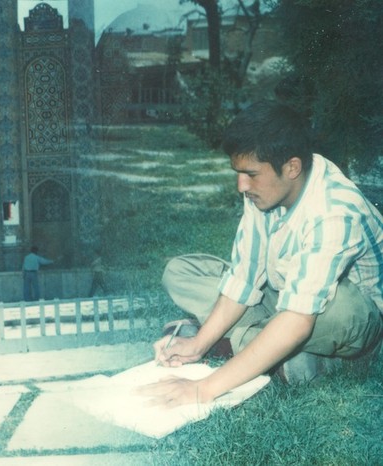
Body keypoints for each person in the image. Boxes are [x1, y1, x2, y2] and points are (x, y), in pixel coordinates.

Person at [140, 101, 383, 407]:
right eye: (238, 173)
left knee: (336, 310)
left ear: (292, 167)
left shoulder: (334, 210)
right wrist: (198, 345)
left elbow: (298, 318)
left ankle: (262, 347)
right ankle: (272, 348)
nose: (241, 186)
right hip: (286, 295)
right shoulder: (266, 190)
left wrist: (204, 389)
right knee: (180, 272)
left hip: (353, 316)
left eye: (250, 174)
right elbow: (244, 277)